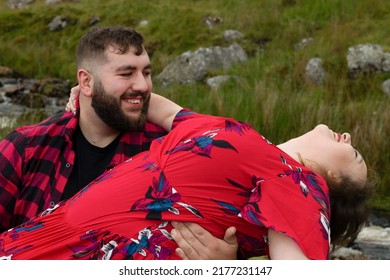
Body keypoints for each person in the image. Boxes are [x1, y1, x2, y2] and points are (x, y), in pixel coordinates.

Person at [0, 25, 237, 259]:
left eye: (146, 73)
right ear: (85, 82)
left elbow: (233, 143)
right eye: (126, 74)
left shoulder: (170, 147)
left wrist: (225, 265)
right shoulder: (27, 148)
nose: (143, 85)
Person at [0, 112, 372, 260]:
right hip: (49, 230)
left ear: (332, 184)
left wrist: (230, 270)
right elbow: (164, 110)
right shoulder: (255, 145)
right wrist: (87, 97)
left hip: (97, 253)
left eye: (354, 155)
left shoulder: (303, 184)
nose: (348, 136)